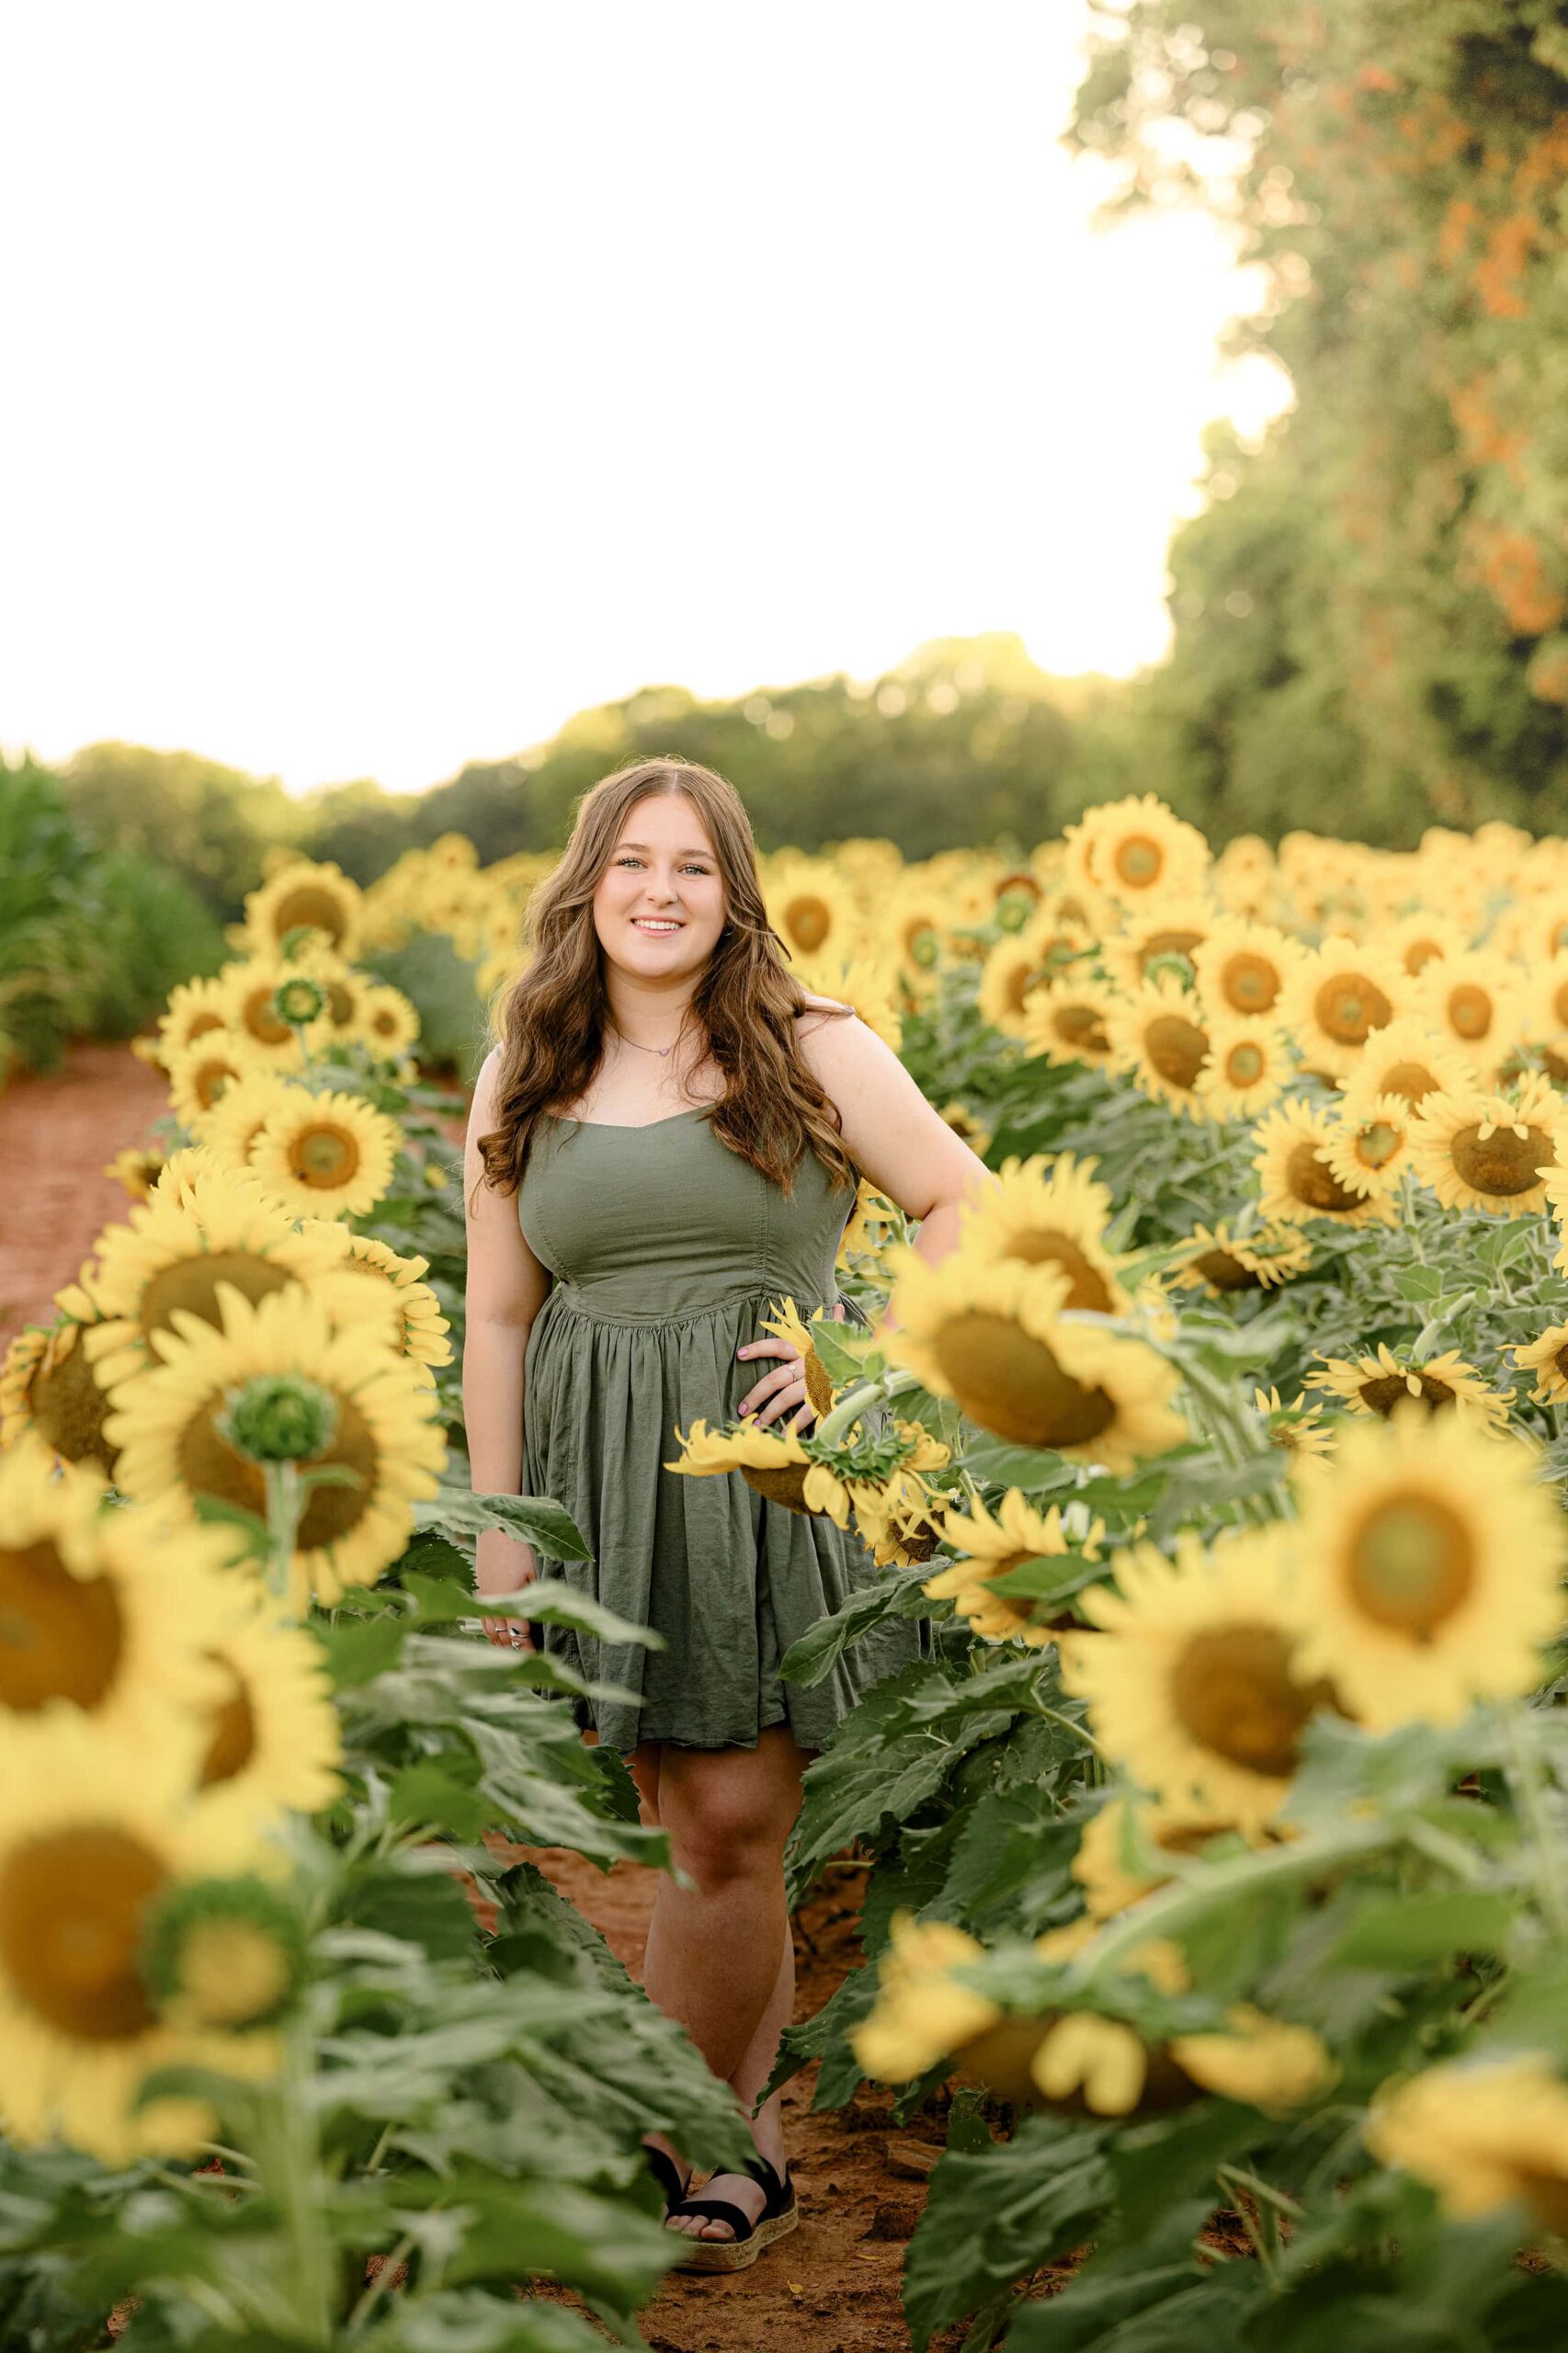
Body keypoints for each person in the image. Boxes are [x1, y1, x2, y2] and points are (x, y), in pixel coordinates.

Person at [461, 756, 994, 2272]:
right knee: (692, 1823)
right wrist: (506, 1520)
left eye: (691, 866)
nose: (658, 892)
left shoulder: (810, 1044)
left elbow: (965, 1202)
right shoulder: (529, 1066)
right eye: (632, 862)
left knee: (727, 1815)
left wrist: (864, 1362)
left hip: (760, 1463)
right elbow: (498, 1317)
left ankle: (661, 2136)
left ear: (731, 890)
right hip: (597, 1474)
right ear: (586, 885)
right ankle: (747, 2155)